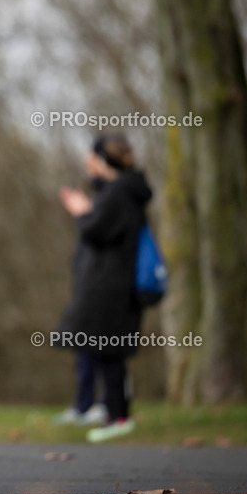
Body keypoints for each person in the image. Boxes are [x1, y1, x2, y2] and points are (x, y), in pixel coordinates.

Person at [56, 134, 152, 442]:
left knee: (110, 351)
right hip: (110, 285)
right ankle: (110, 411)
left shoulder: (119, 195)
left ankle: (118, 415)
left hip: (113, 287)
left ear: (102, 160)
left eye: (91, 158)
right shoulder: (119, 192)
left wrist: (82, 210)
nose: (87, 163)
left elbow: (96, 231)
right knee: (103, 350)